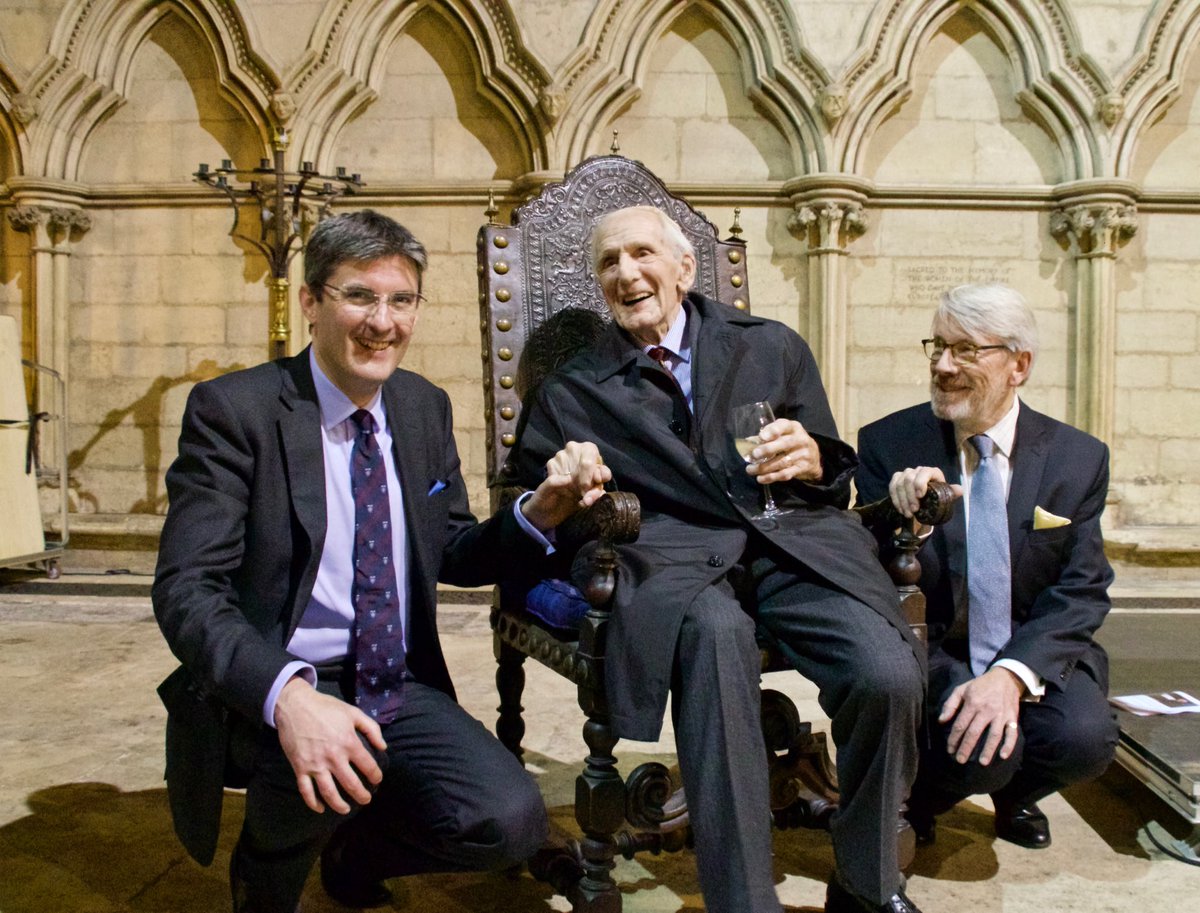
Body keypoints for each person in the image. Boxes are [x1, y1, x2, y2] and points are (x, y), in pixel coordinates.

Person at [153, 210, 609, 913]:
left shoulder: (423, 406)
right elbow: (188, 589)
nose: (382, 321)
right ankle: (268, 870)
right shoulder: (236, 411)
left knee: (508, 820)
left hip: (394, 675)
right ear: (310, 301)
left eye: (402, 300)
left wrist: (536, 514)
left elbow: (452, 548)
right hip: (276, 672)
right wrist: (290, 695)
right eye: (359, 296)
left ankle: (354, 853)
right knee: (308, 769)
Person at [510, 205, 926, 913]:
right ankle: (743, 900)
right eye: (609, 261)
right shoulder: (572, 387)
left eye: (642, 252)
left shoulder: (771, 346)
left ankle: (867, 878)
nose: (625, 272)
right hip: (670, 557)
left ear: (685, 268)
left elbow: (833, 475)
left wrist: (814, 455)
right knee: (715, 636)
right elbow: (529, 497)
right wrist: (568, 484)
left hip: (789, 540)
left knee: (887, 675)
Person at [856, 282, 1118, 850]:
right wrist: (907, 522)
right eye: (938, 347)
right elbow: (862, 572)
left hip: (1026, 647)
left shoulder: (1078, 458)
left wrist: (1012, 674)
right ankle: (922, 796)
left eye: (967, 350)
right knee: (983, 751)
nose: (944, 366)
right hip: (935, 650)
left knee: (1085, 742)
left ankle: (1015, 795)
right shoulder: (888, 443)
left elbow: (1083, 588)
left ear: (1018, 365)